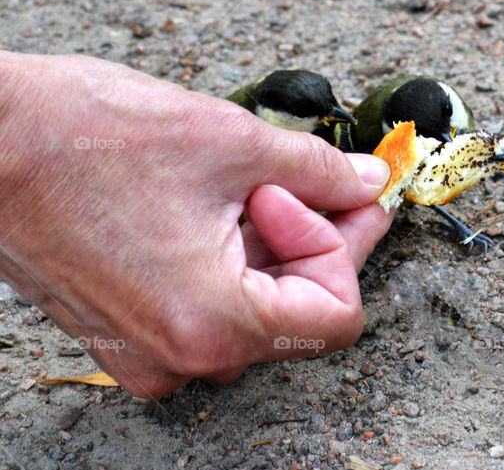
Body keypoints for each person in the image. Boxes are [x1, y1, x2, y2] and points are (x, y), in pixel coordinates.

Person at [0, 50, 395, 398]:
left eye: (329, 108)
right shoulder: (242, 121)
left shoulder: (325, 125)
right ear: (272, 114)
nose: (331, 117)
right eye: (310, 114)